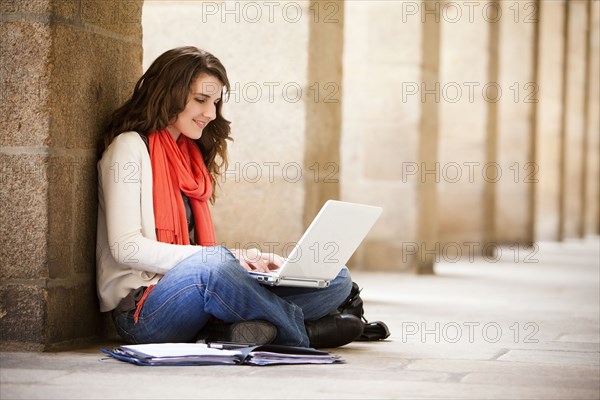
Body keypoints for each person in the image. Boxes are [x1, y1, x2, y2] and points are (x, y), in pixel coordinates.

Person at [96, 46, 363, 348]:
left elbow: (203, 256)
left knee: (335, 278)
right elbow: (125, 247)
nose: (210, 114)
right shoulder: (127, 149)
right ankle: (304, 334)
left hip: (200, 287)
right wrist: (224, 259)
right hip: (144, 310)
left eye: (215, 102)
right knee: (216, 267)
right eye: (200, 100)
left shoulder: (190, 155)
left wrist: (253, 263)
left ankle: (235, 330)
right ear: (169, 93)